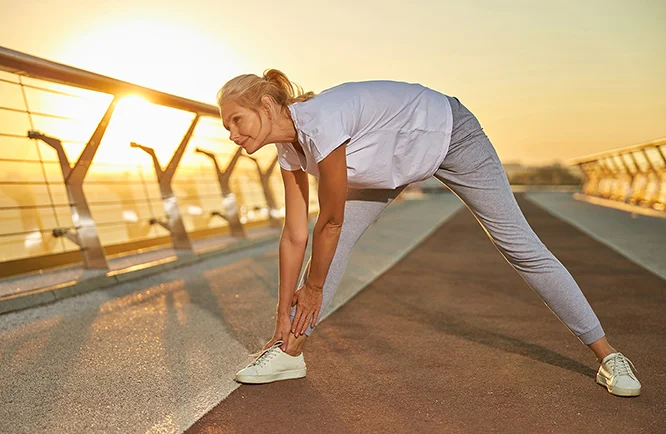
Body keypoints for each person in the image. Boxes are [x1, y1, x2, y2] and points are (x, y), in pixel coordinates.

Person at [217, 69, 641, 397]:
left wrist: (312, 290)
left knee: (519, 245)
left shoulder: (321, 121)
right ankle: (290, 352)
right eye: (226, 129)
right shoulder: (288, 148)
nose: (234, 135)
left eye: (237, 120)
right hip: (389, 163)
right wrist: (280, 315)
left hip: (450, 133)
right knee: (329, 251)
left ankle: (609, 357)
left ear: (267, 106)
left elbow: (329, 219)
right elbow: (294, 235)